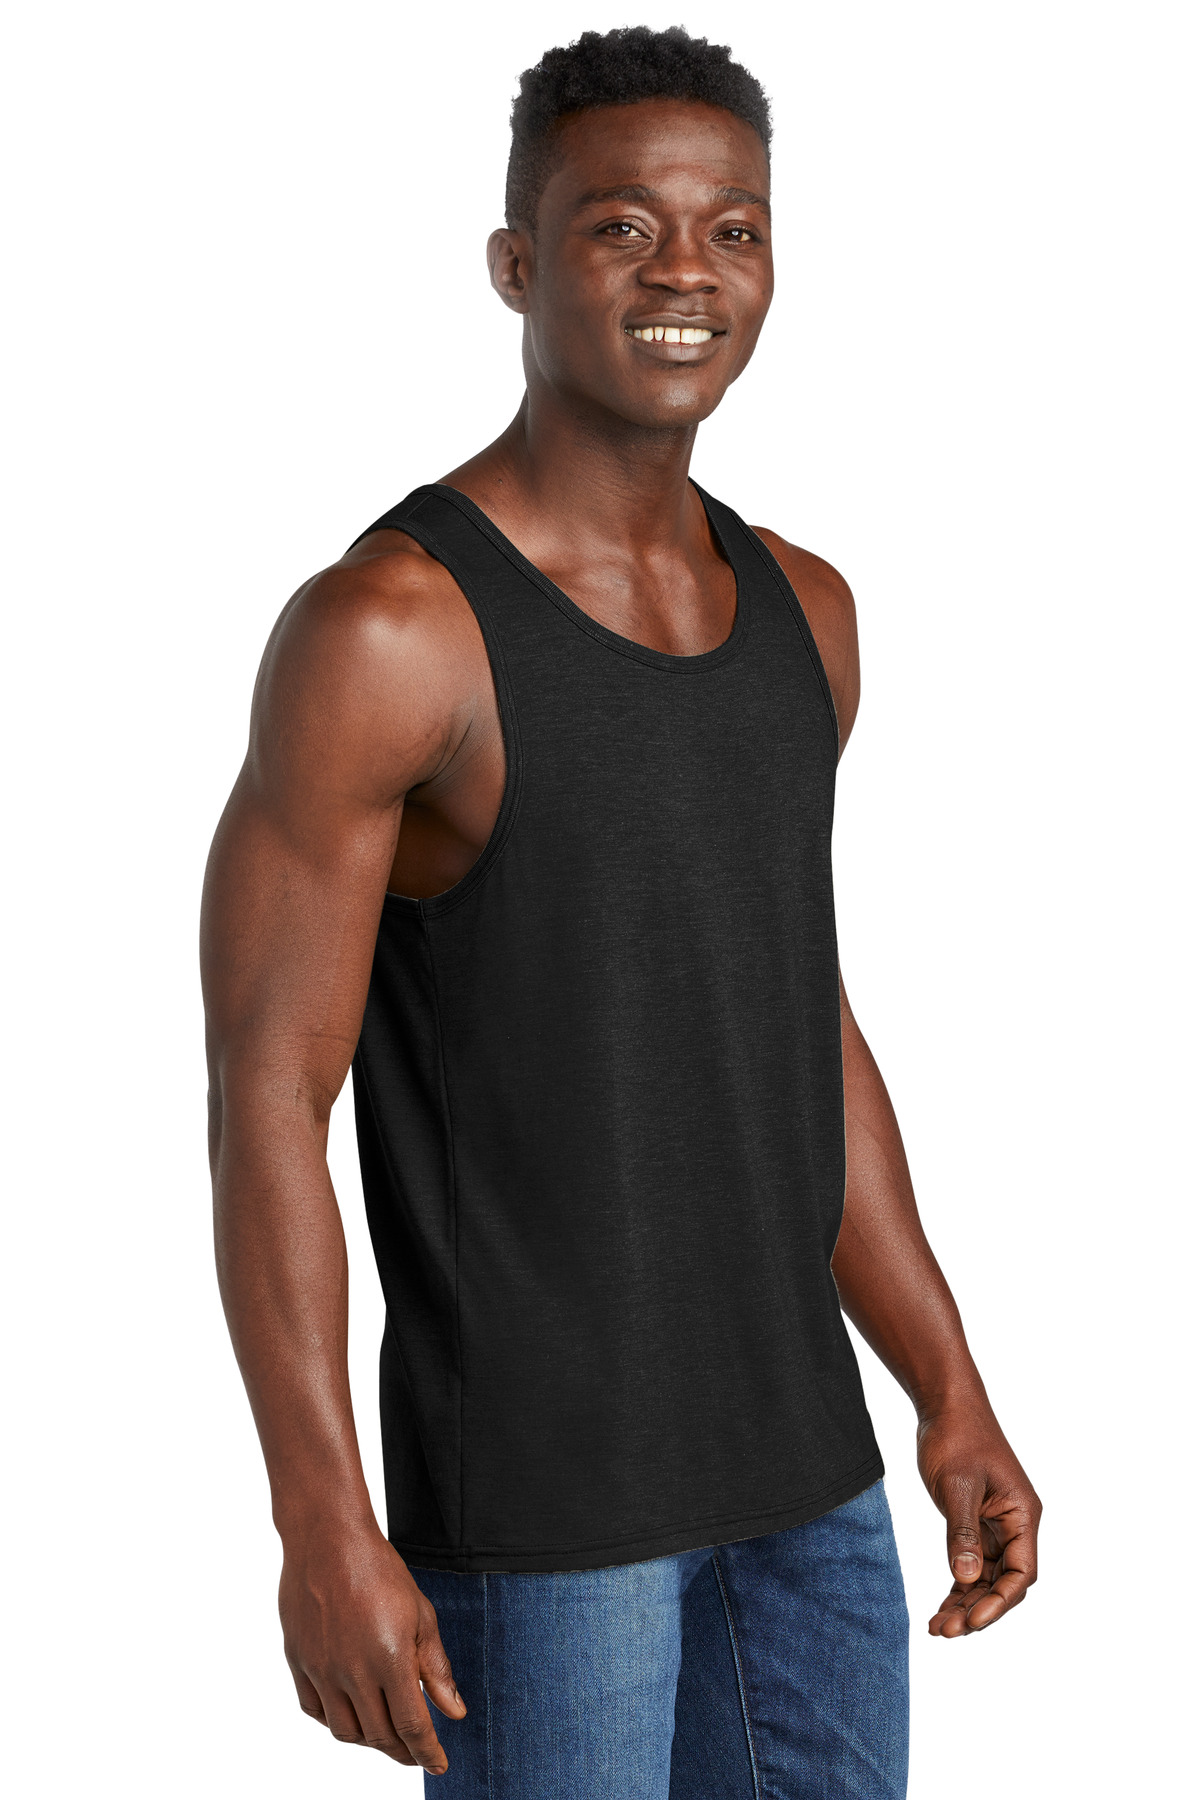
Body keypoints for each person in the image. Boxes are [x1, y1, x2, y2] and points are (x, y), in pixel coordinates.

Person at [201, 25, 1040, 1799]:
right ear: (516, 263)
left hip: (809, 1490)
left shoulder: (808, 613)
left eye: (732, 230)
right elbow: (271, 1095)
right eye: (620, 227)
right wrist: (321, 1520)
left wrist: (945, 1378)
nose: (684, 273)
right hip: (544, 1523)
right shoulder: (390, 632)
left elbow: (792, 1025)